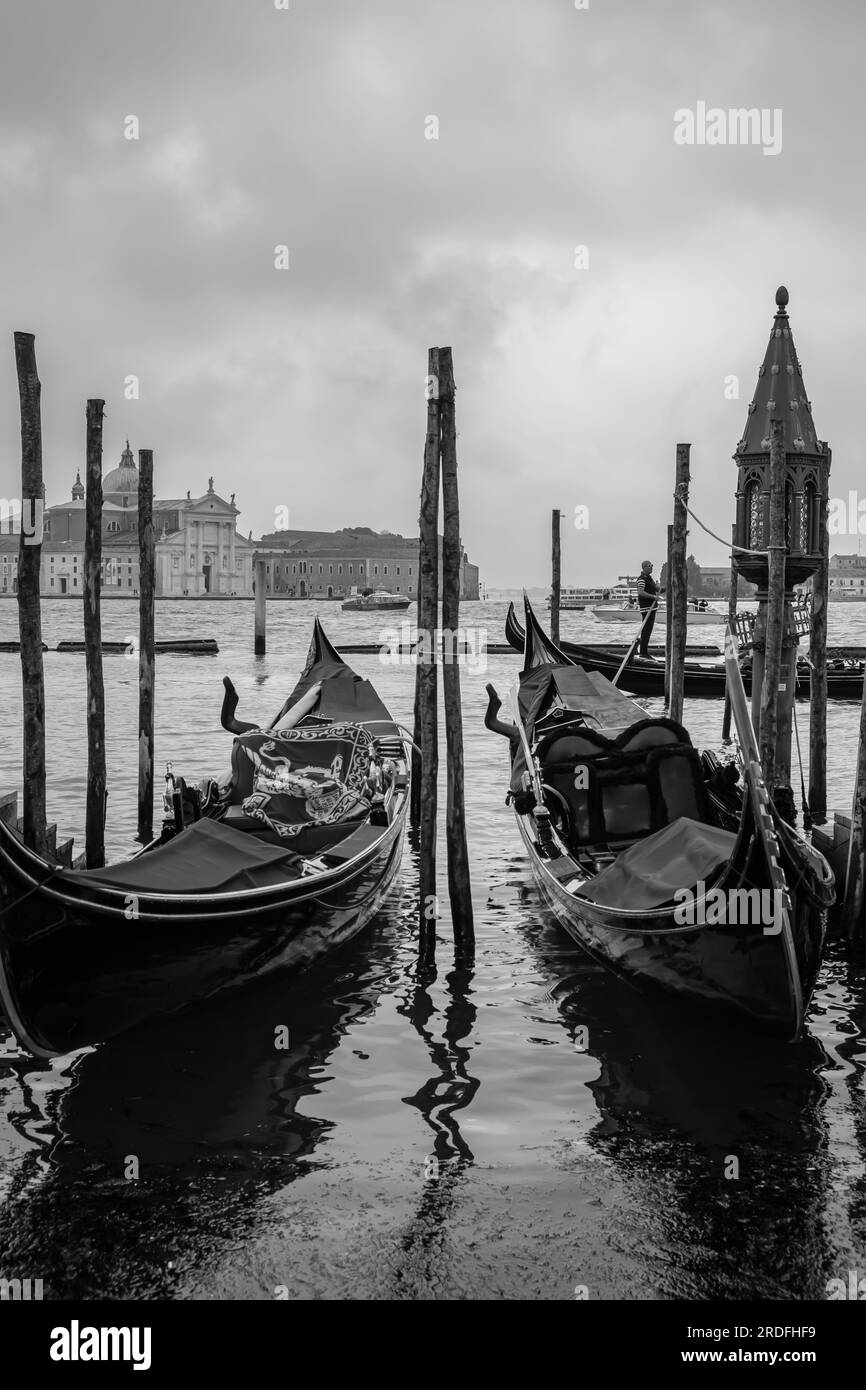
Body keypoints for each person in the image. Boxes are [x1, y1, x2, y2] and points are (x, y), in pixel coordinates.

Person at [636, 559, 659, 658]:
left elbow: (657, 589)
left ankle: (644, 652)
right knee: (646, 630)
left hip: (652, 608)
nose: (652, 567)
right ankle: (643, 653)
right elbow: (641, 592)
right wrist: (653, 597)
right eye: (650, 565)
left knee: (648, 630)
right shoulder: (641, 579)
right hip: (646, 608)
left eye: (652, 565)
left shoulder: (649, 578)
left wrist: (666, 587)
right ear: (645, 567)